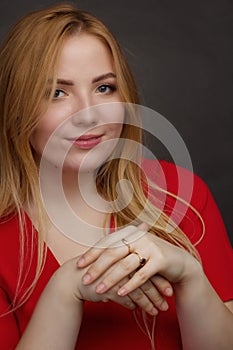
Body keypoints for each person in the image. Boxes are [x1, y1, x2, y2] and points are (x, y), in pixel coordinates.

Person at [0, 3, 232, 350]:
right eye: (56, 93)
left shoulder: (183, 196)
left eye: (104, 88)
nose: (88, 114)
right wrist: (65, 290)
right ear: (15, 106)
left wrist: (191, 277)